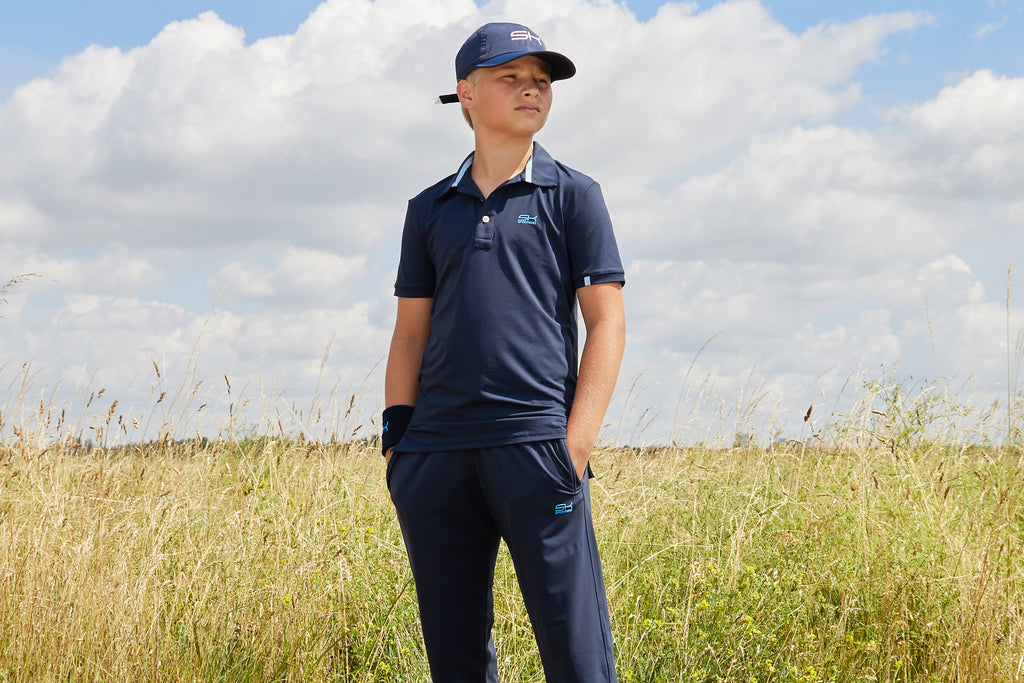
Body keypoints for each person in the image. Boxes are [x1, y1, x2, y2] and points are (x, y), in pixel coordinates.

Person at [382, 21, 625, 683]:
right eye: (511, 77)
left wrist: (572, 449)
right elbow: (409, 333)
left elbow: (606, 323)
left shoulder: (575, 195)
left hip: (536, 447)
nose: (531, 90)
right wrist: (397, 444)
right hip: (434, 456)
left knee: (579, 660)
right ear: (465, 92)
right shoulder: (429, 208)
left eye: (541, 81)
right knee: (456, 660)